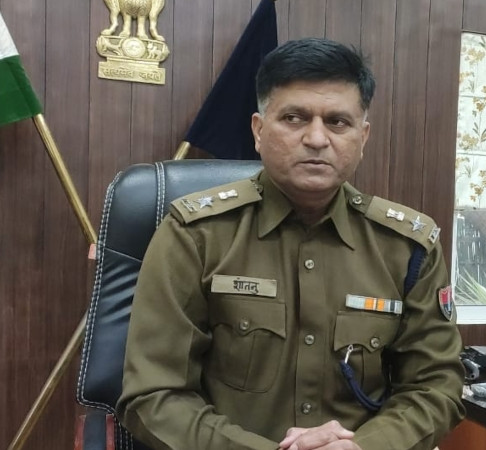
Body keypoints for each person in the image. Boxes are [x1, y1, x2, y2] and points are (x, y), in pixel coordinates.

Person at [116, 37, 465, 450]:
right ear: (258, 130)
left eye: (337, 122)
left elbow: (434, 386)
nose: (316, 138)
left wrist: (365, 446)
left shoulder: (407, 248)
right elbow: (155, 395)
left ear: (363, 137)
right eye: (294, 118)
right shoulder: (194, 235)